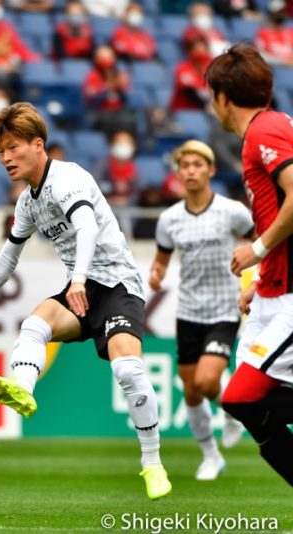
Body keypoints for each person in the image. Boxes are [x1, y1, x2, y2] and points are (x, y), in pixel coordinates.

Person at [0, 102, 172, 499]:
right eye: (0, 150)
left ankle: (152, 463)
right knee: (35, 324)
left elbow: (86, 226)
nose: (5, 157)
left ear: (39, 144)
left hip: (117, 286)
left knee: (127, 370)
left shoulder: (68, 177)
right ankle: (22, 388)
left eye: (13, 147)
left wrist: (77, 278)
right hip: (82, 290)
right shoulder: (27, 201)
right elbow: (9, 254)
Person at [205, 43, 293, 485]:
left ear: (222, 97)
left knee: (243, 397)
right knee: (245, 402)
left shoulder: (265, 130)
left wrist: (256, 252)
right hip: (275, 289)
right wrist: (261, 279)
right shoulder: (269, 129)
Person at [148, 140, 254, 480]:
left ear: (210, 170)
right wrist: (156, 272)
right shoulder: (169, 219)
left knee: (209, 380)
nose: (191, 170)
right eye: (185, 165)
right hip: (188, 312)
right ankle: (211, 456)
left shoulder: (232, 211)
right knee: (192, 390)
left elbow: (261, 241)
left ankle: (233, 412)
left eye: (198, 164)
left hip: (224, 310)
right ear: (178, 172)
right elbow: (162, 258)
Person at [170, 36, 212, 112]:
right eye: (195, 48)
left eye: (202, 47)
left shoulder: (210, 68)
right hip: (183, 111)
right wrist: (205, 106)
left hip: (202, 112)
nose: (199, 51)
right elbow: (188, 91)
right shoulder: (183, 68)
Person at [255, 0, 293, 66]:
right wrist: (282, 61)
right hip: (273, 67)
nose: (280, 15)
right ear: (271, 14)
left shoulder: (290, 32)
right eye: (277, 12)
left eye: (282, 12)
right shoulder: (263, 33)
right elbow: (260, 55)